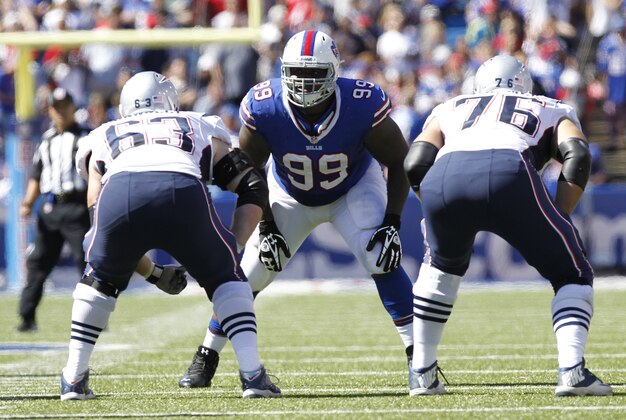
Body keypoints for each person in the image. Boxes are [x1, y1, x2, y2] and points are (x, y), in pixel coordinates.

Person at [179, 30, 414, 388]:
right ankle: (206, 354)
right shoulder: (265, 105)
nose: (304, 83)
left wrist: (393, 221)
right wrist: (268, 223)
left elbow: (399, 161)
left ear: (334, 73)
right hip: (288, 192)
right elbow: (250, 171)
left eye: (314, 74)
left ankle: (420, 357)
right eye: (297, 74)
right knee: (250, 272)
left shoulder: (361, 103)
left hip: (353, 187)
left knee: (381, 256)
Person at [60, 71, 280, 400]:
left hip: (119, 191)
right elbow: (252, 185)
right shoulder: (197, 123)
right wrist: (232, 247)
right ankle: (252, 376)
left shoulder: (104, 133)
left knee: (99, 279)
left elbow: (98, 212)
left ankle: (74, 378)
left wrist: (154, 274)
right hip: (182, 187)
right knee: (227, 279)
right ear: (170, 101)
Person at [403, 54, 613, 397]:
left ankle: (422, 375)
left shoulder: (451, 106)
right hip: (508, 169)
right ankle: (572, 372)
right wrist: (560, 215)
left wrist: (439, 206)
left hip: (444, 175)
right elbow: (577, 155)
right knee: (571, 273)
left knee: (439, 269)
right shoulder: (549, 105)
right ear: (524, 83)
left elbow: (416, 162)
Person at [17, 88, 91, 333]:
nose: (60, 111)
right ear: (49, 110)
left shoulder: (86, 137)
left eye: (64, 106)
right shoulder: (46, 140)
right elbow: (37, 176)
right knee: (39, 262)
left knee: (86, 262)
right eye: (56, 107)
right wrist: (28, 202)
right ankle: (27, 317)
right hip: (51, 207)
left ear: (73, 107)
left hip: (79, 206)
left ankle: (92, 316)